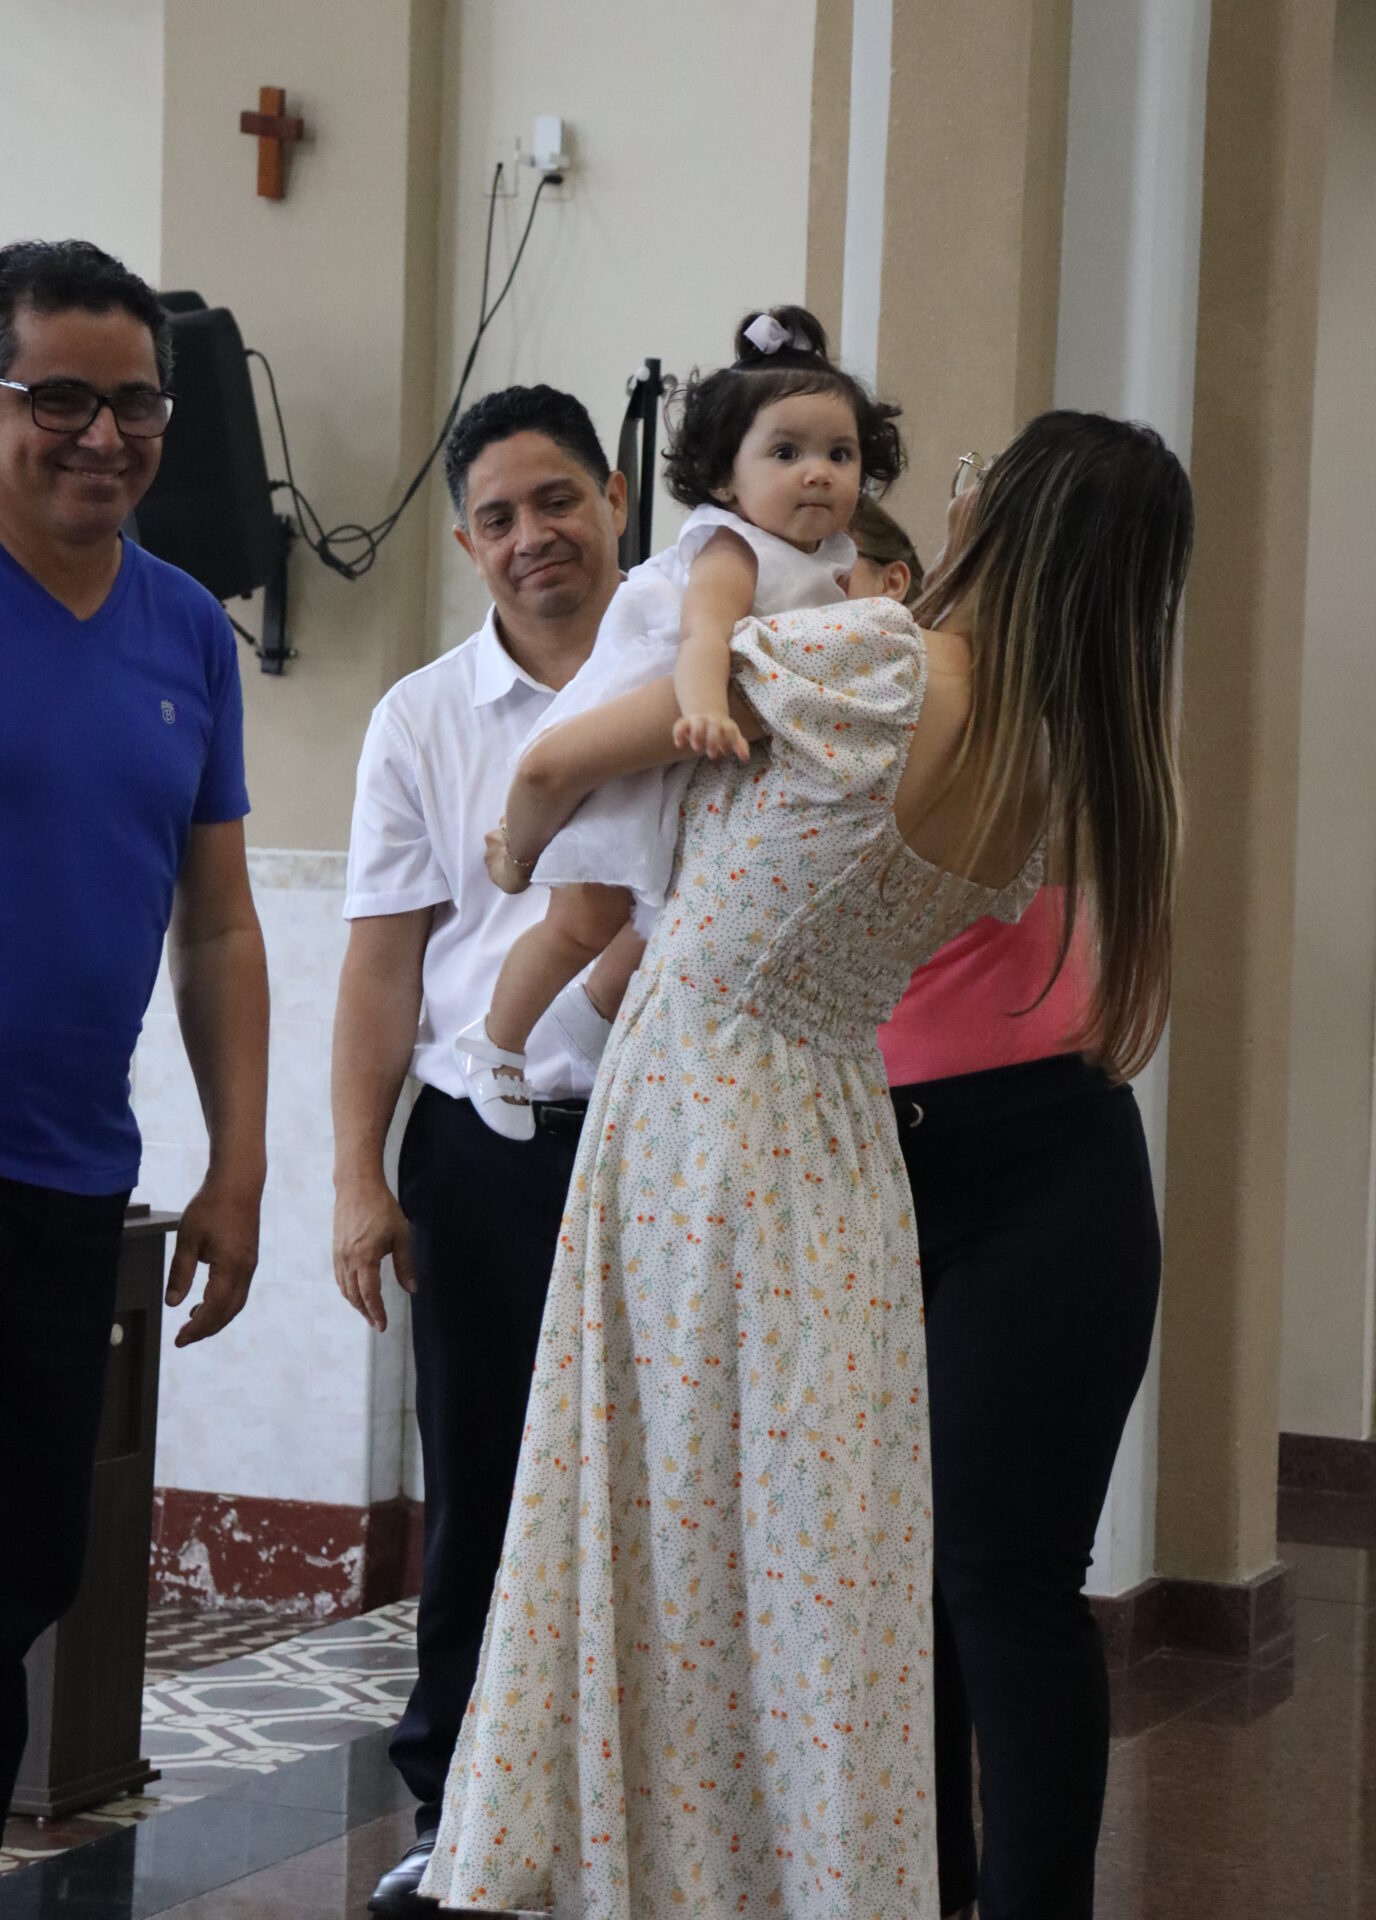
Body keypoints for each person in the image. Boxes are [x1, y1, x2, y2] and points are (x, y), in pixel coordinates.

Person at [420, 409, 1193, 1917]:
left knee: (665, 1515)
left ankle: (650, 1863)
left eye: (968, 484)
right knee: (810, 1560)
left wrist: (512, 856)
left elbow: (567, 755)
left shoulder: (880, 664)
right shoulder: (1046, 765)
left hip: (704, 1108)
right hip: (832, 1129)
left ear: (1007, 520)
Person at [331, 384, 635, 1918]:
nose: (533, 538)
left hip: (670, 1139)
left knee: (664, 1490)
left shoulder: (697, 672)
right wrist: (357, 1177)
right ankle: (458, 1813)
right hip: (482, 1150)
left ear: (617, 497)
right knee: (485, 1490)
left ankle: (650, 1816)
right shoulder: (423, 718)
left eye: (557, 500)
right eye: (500, 518)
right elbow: (383, 968)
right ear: (465, 544)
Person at [0, 239, 269, 1818]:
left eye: (138, 405)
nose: (104, 437)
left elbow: (216, 919)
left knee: (25, 1570)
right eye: (60, 399)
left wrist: (238, 1164)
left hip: (64, 1180)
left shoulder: (187, 634)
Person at [849, 490, 1124, 1920]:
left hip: (1038, 1168)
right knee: (899, 1583)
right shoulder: (852, 680)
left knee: (1001, 1577)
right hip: (866, 1159)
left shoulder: (1000, 695)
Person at [454, 305, 902, 1139]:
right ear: (726, 479)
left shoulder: (834, 562)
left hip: (692, 757)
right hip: (658, 722)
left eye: (839, 455)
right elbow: (706, 638)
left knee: (667, 904)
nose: (817, 474)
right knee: (581, 920)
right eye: (786, 453)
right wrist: (701, 709)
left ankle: (588, 1019)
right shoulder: (732, 550)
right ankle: (496, 1041)